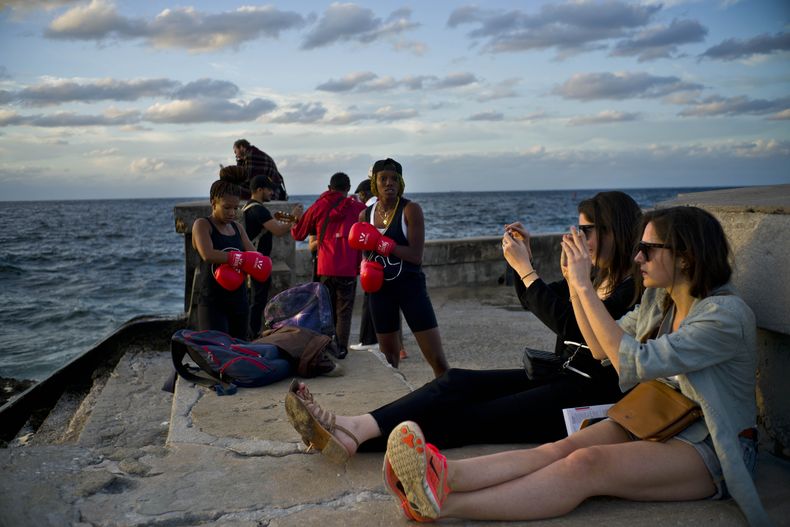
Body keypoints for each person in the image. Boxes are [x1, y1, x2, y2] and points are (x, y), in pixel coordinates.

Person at [382, 206, 769, 526]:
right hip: (660, 419)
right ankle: (443, 475)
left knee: (586, 464)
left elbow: (632, 363)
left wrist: (585, 288)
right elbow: (601, 348)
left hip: (710, 447)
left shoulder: (724, 316)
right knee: (555, 450)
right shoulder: (660, 303)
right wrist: (573, 283)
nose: (638, 258)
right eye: (639, 247)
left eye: (649, 250)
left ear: (685, 257)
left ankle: (441, 506)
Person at [284, 191, 642, 464]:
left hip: (588, 396)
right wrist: (525, 263)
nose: (581, 238)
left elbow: (575, 330)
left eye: (587, 231)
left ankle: (353, 436)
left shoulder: (633, 290)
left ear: (615, 232)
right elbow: (544, 301)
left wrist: (539, 273)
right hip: (560, 374)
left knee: (474, 418)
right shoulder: (596, 277)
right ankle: (357, 425)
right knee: (458, 382)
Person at [347, 158, 448, 375]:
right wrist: (365, 268)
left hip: (411, 289)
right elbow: (367, 255)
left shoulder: (411, 210)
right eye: (383, 179)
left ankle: (452, 403)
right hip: (380, 292)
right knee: (390, 360)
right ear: (374, 182)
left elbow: (415, 256)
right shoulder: (366, 215)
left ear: (401, 183)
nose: (388, 183)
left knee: (437, 359)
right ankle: (399, 405)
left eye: (394, 179)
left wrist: (382, 244)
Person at [291, 172, 366, 358]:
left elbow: (299, 235)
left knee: (326, 311)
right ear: (348, 188)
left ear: (328, 187)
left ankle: (325, 347)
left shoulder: (319, 206)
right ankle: (341, 349)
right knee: (344, 311)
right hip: (348, 267)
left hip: (325, 268)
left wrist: (295, 220)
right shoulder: (359, 208)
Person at [191, 180, 272, 339]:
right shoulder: (202, 224)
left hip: (239, 301)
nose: (232, 213)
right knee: (217, 352)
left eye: (235, 208)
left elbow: (254, 257)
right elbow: (207, 254)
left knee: (239, 350)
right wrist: (239, 259)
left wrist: (259, 264)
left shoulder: (237, 228)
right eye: (226, 207)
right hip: (213, 302)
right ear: (213, 203)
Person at [243, 175, 303, 337]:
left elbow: (275, 223)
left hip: (252, 261)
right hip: (258, 263)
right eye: (269, 189)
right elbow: (278, 230)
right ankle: (252, 334)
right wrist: (295, 216)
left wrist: (289, 217)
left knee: (253, 299)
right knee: (257, 300)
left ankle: (249, 332)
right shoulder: (258, 209)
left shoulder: (248, 207)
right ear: (259, 190)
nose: (272, 193)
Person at [349, 179, 380, 352]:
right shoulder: (383, 207)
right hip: (385, 261)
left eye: (360, 194)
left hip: (371, 261)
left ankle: (368, 340)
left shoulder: (367, 210)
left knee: (369, 301)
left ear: (364, 193)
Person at [219, 139, 287, 201]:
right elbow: (242, 174)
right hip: (268, 189)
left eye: (235, 151)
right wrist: (239, 162)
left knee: (232, 188)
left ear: (242, 147)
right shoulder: (252, 154)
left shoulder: (252, 155)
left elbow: (249, 180)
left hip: (271, 193)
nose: (236, 155)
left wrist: (231, 181)